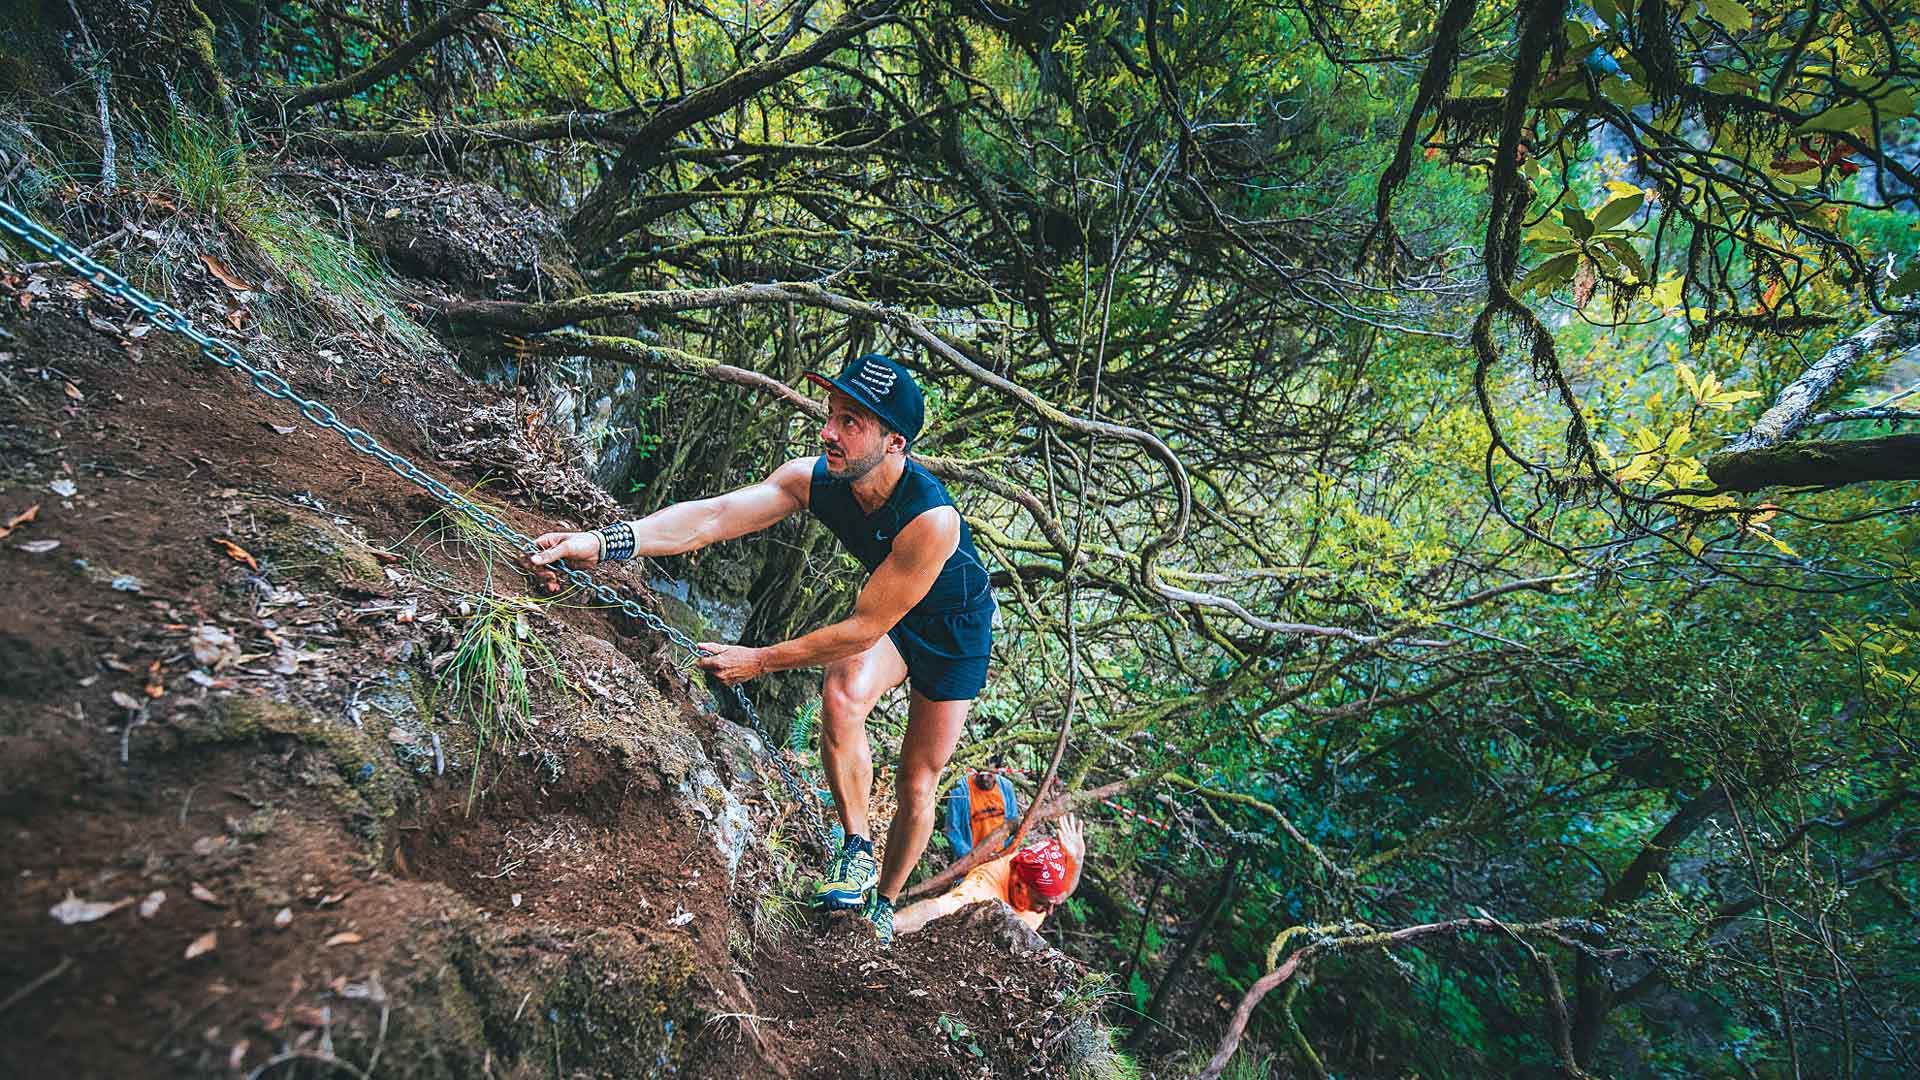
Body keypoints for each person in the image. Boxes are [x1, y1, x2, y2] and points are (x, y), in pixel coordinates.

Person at [522, 353, 996, 944]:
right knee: (844, 692)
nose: (829, 431)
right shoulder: (815, 478)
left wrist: (760, 659)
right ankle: (856, 849)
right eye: (832, 414)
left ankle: (886, 901)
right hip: (890, 615)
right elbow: (715, 516)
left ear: (895, 441)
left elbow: (861, 630)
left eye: (852, 422)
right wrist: (604, 542)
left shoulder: (931, 521)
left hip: (954, 633)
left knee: (917, 781)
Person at [894, 814, 1086, 936]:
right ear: (1020, 886)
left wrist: (1077, 861)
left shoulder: (1047, 888)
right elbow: (939, 908)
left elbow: (1062, 894)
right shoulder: (983, 889)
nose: (1049, 911)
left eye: (1051, 904)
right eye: (1043, 904)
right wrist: (894, 924)